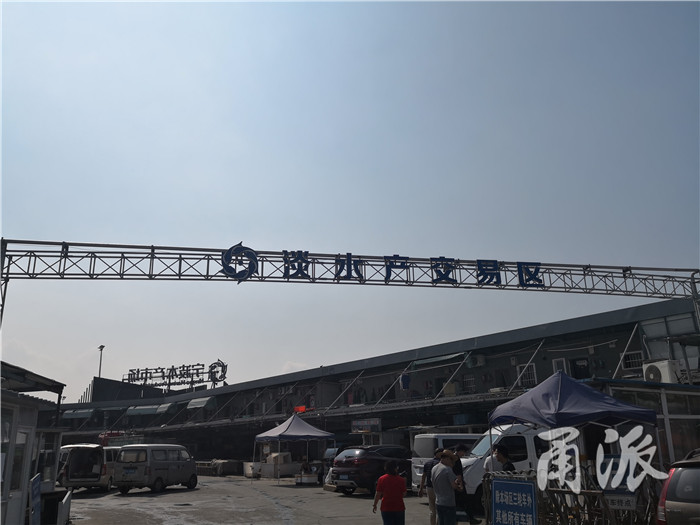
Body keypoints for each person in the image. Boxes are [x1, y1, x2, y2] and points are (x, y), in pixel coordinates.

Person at [430, 449, 462, 525]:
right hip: (448, 503)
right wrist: (459, 485)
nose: (452, 463)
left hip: (438, 501)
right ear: (447, 459)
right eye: (451, 460)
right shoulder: (447, 470)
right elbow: (454, 486)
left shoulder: (434, 468)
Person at [372, 460, 407, 525]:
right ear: (396, 468)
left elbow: (378, 493)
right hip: (399, 507)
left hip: (386, 507)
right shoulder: (401, 480)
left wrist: (375, 504)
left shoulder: (381, 479)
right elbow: (404, 493)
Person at [453, 444, 479, 524]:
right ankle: (470, 519)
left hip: (455, 483)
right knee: (465, 502)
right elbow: (458, 474)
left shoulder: (453, 458)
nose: (463, 454)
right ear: (460, 451)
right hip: (458, 484)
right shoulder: (456, 459)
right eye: (463, 452)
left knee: (460, 503)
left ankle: (468, 519)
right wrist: (461, 485)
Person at [418, 448, 443, 525]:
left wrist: (421, 488)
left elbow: (423, 476)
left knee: (432, 510)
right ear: (438, 454)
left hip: (429, 487)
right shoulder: (440, 464)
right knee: (440, 509)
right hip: (438, 488)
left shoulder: (427, 463)